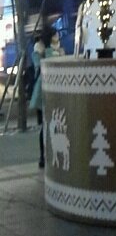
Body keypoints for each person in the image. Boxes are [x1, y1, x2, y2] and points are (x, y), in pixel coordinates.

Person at [29, 28, 65, 168]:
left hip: (56, 91)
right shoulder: (40, 50)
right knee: (45, 126)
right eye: (55, 35)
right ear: (51, 37)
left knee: (54, 125)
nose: (58, 36)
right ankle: (43, 156)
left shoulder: (58, 49)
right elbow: (42, 65)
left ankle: (52, 155)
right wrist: (49, 51)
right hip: (44, 92)